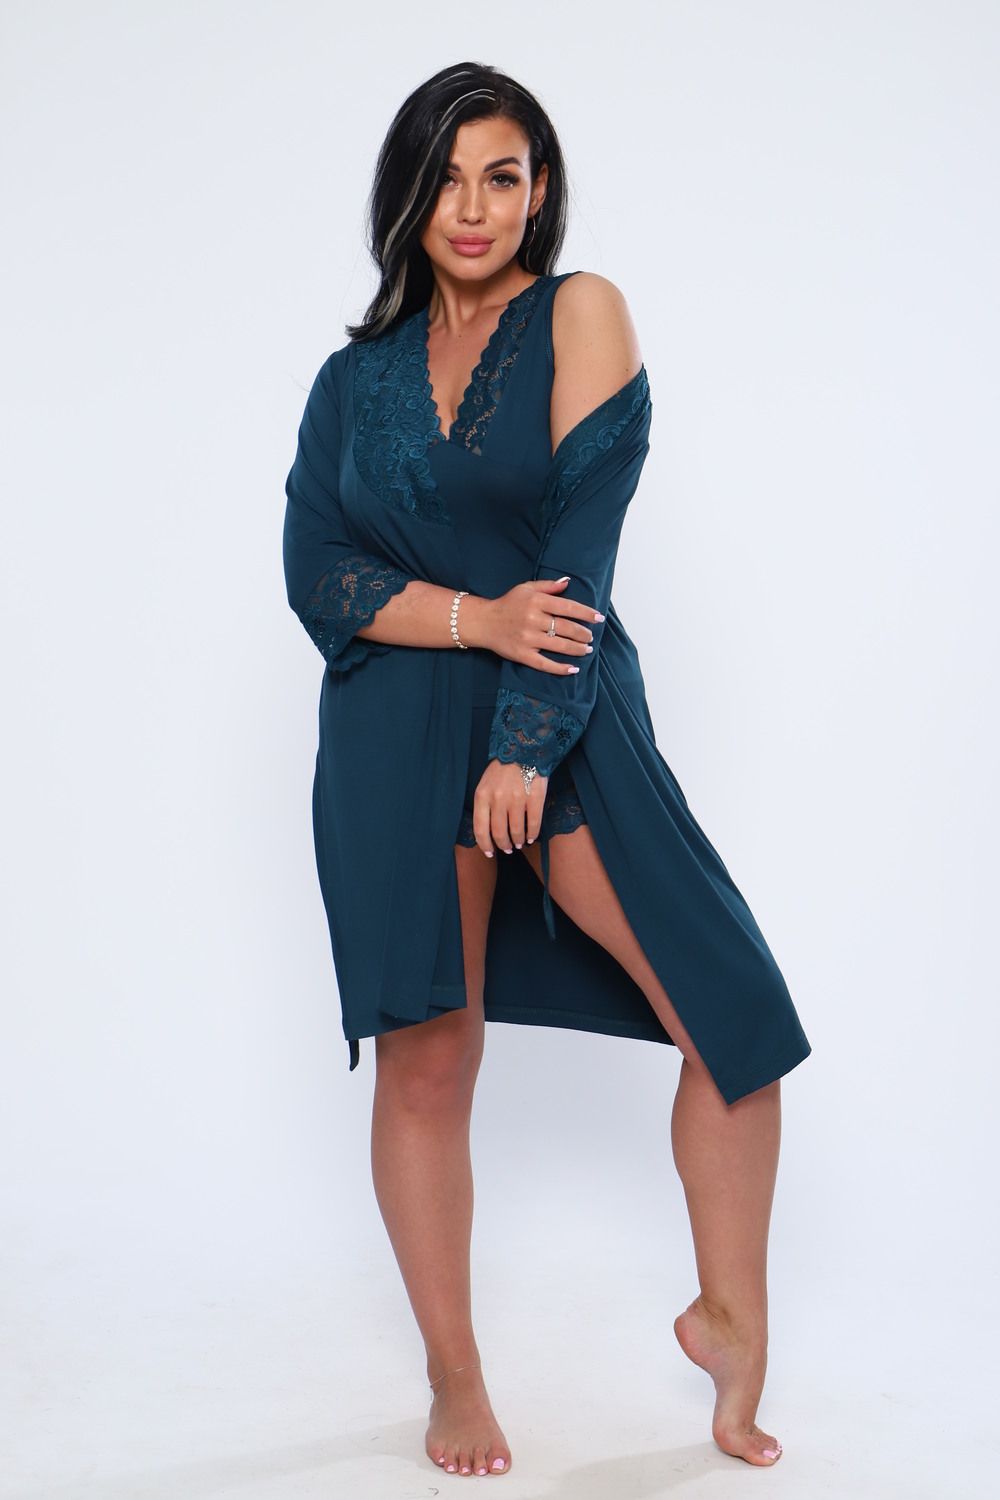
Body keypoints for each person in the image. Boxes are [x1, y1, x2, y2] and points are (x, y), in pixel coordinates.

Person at [282, 61, 812, 1480]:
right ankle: (454, 1377)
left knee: (733, 1019)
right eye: (447, 178)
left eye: (503, 176)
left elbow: (582, 547)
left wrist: (524, 739)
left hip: (564, 715)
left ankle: (731, 1320)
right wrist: (469, 618)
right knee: (429, 1057)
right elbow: (317, 574)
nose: (474, 207)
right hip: (394, 731)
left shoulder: (581, 312)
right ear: (407, 196)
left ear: (539, 191)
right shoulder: (351, 380)